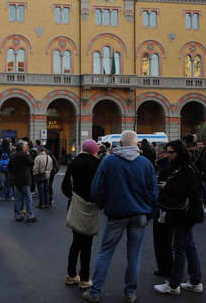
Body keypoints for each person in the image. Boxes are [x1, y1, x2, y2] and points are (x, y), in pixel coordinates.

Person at [83, 130, 157, 303]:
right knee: (134, 255)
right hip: (139, 214)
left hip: (117, 213)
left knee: (105, 252)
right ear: (136, 144)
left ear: (121, 143)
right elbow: (153, 193)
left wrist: (103, 204)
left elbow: (96, 188)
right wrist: (150, 214)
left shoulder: (109, 161)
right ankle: (130, 293)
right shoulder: (146, 164)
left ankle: (95, 292)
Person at [154, 140, 204, 296]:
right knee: (189, 246)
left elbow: (183, 190)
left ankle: (174, 284)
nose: (168, 155)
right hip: (189, 213)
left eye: (171, 152)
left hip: (184, 214)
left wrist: (165, 186)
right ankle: (195, 281)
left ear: (178, 152)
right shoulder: (186, 167)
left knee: (179, 248)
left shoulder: (186, 169)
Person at [61, 139, 101, 290]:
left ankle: (71, 275)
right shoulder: (97, 164)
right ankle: (84, 278)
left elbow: (65, 186)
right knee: (87, 244)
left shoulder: (73, 163)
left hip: (75, 205)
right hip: (91, 206)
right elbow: (100, 186)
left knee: (75, 242)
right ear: (94, 151)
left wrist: (72, 196)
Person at [153, 143, 174, 279]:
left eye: (158, 153)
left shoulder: (165, 167)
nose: (157, 155)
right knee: (168, 240)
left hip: (163, 208)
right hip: (168, 208)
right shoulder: (166, 166)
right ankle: (167, 266)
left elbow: (162, 187)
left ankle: (164, 268)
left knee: (161, 240)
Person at [8, 140, 36, 222]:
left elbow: (9, 167)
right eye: (26, 146)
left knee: (18, 198)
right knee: (28, 197)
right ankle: (30, 215)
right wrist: (28, 155)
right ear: (22, 147)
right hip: (25, 179)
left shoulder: (12, 155)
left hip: (16, 179)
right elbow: (32, 163)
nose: (27, 147)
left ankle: (18, 215)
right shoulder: (25, 155)